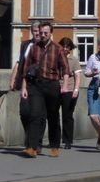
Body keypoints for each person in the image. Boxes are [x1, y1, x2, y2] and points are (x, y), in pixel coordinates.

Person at [21, 22, 69, 158]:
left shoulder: (58, 49)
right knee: (35, 114)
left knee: (53, 116)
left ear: (51, 33)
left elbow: (65, 69)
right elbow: (26, 70)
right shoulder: (34, 48)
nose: (42, 35)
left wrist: (65, 85)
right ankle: (32, 147)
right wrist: (24, 87)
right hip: (36, 85)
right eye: (41, 33)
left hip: (52, 85)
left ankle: (54, 146)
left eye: (45, 33)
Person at [9, 22, 41, 151]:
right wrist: (12, 79)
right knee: (24, 112)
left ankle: (35, 143)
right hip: (25, 83)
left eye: (38, 31)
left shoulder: (45, 47)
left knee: (38, 115)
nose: (37, 33)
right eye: (34, 31)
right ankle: (30, 138)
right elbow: (18, 63)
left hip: (39, 84)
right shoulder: (25, 45)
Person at [83, 34, 100, 150]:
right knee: (93, 116)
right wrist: (94, 73)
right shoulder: (93, 57)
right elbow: (86, 72)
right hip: (94, 86)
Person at [58, 37, 82, 149]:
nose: (65, 49)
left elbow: (78, 76)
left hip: (70, 89)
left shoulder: (73, 60)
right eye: (63, 47)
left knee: (67, 115)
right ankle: (55, 139)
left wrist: (76, 90)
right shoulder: (56, 58)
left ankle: (68, 140)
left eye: (67, 47)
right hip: (56, 88)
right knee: (53, 115)